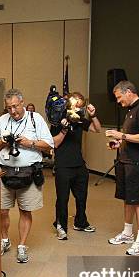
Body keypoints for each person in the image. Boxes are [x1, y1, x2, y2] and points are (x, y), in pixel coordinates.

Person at [0, 88, 54, 263]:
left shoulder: (36, 119)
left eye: (15, 107)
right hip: (5, 173)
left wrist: (29, 142)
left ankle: (22, 245)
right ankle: (5, 240)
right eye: (9, 108)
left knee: (25, 210)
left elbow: (49, 145)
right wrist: (2, 141)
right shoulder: (2, 120)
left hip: (29, 173)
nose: (13, 111)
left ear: (22, 103)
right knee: (2, 210)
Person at [105, 80, 139, 256]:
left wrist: (121, 135)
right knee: (127, 199)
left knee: (138, 200)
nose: (118, 101)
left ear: (129, 92)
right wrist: (118, 143)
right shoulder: (130, 111)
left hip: (138, 163)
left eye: (119, 97)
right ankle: (127, 233)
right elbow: (131, 137)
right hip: (125, 161)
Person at [51, 92, 102, 240]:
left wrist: (93, 115)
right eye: (76, 107)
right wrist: (64, 129)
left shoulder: (80, 120)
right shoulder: (57, 121)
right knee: (62, 199)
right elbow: (54, 143)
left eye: (81, 108)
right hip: (63, 166)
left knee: (81, 197)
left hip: (79, 165)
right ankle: (61, 226)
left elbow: (97, 129)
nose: (78, 110)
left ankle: (80, 222)